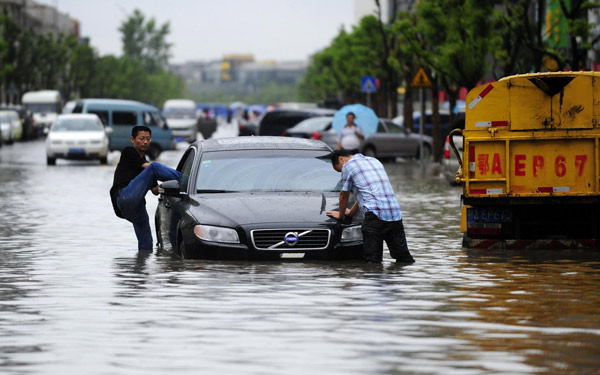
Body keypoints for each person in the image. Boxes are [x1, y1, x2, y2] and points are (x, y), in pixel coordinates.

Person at [326, 149, 414, 264]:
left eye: (339, 170)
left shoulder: (348, 166)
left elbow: (344, 195)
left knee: (372, 262)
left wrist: (341, 215)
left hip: (374, 217)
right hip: (394, 214)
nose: (342, 172)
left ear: (341, 159)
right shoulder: (374, 161)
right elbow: (366, 193)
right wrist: (351, 212)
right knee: (404, 259)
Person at [110, 125, 180, 251]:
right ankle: (188, 179)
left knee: (146, 244)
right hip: (124, 197)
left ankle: (141, 266)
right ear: (133, 139)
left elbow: (154, 190)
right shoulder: (128, 152)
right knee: (154, 167)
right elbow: (152, 168)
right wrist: (181, 180)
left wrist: (170, 186)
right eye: (142, 138)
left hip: (136, 206)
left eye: (148, 139)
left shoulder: (145, 166)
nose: (145, 142)